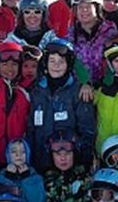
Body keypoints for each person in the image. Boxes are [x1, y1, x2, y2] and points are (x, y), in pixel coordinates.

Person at [27, 39, 95, 171]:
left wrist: (83, 159)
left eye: (61, 62)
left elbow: (87, 129)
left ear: (68, 64)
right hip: (41, 161)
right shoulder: (36, 91)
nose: (56, 66)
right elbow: (30, 128)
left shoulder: (78, 92)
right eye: (52, 61)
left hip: (69, 162)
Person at [0, 41, 32, 175]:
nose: (10, 69)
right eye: (4, 65)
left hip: (19, 158)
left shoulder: (26, 93)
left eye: (14, 65)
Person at [67, 0, 118, 85]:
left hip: (106, 84)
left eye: (88, 7)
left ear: (97, 8)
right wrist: (83, 83)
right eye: (80, 7)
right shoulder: (70, 34)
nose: (84, 10)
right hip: (79, 85)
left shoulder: (109, 30)